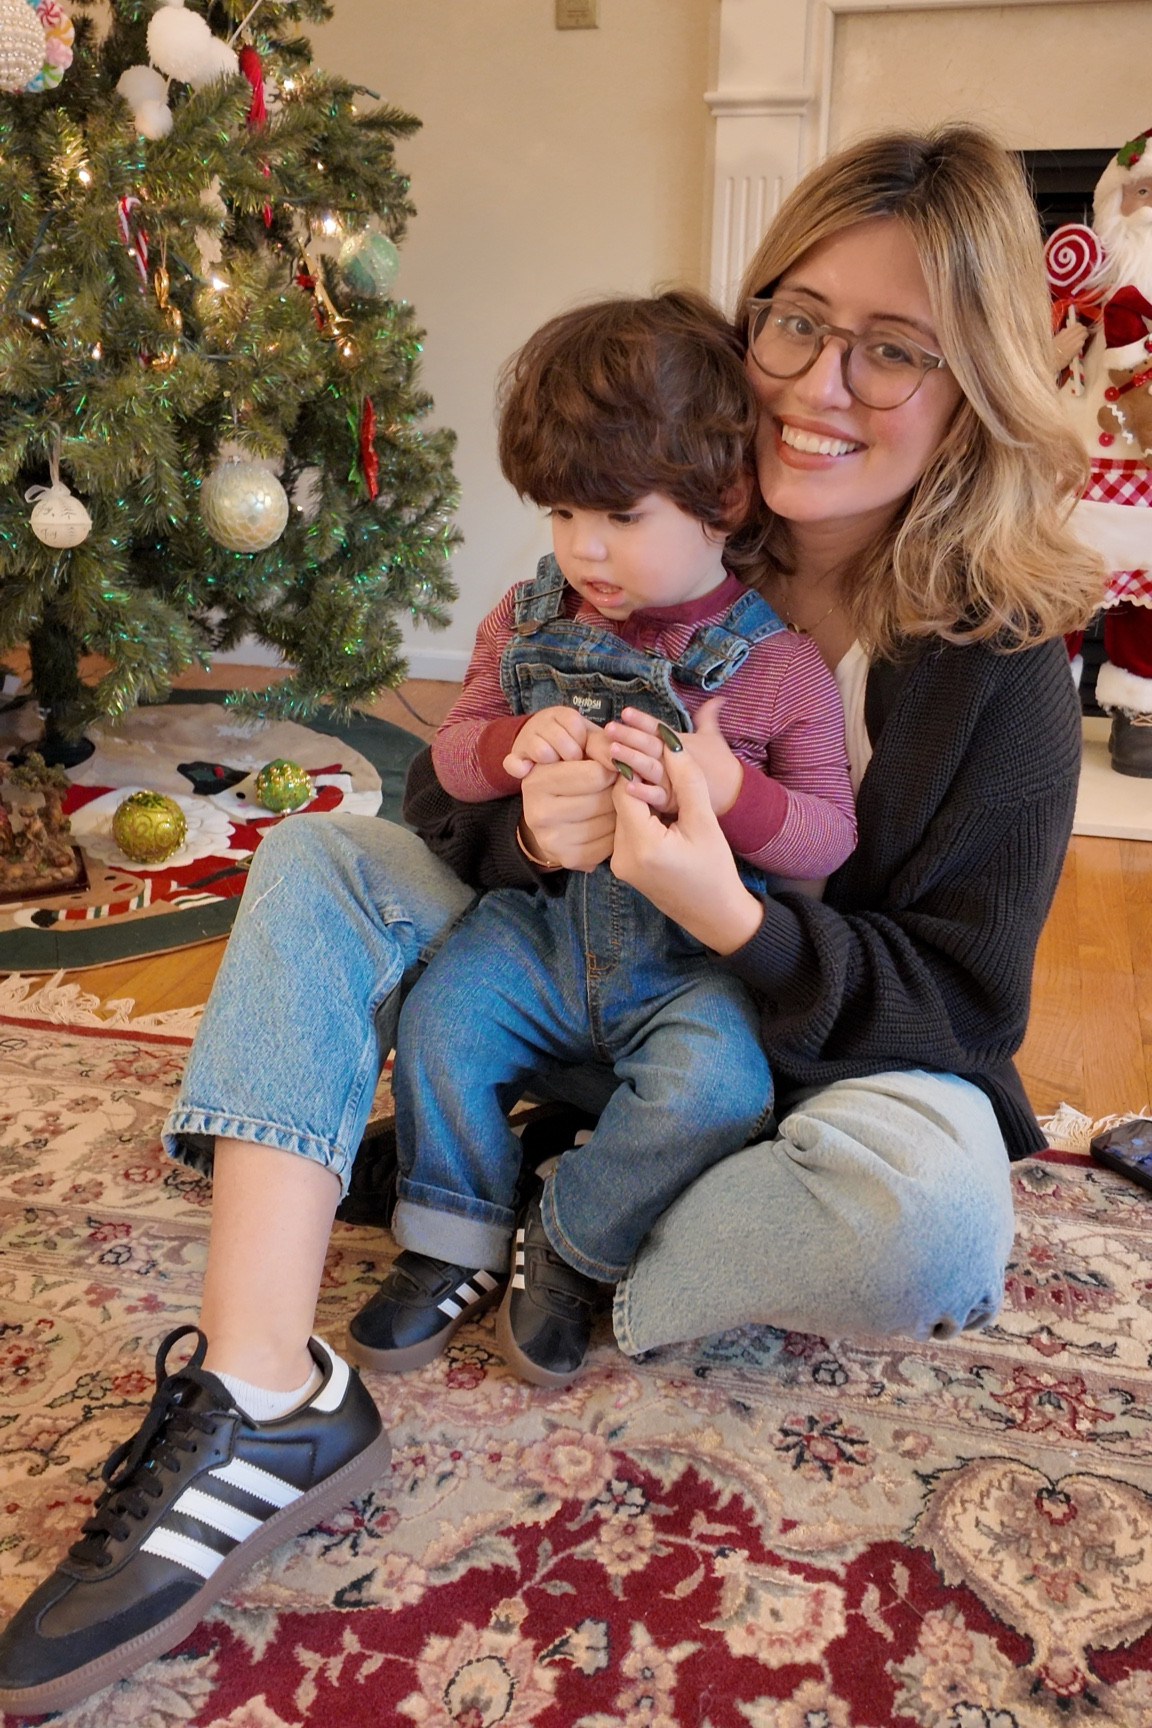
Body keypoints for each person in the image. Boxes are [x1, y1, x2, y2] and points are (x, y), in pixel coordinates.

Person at [0, 122, 1104, 1716]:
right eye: (796, 321)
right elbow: (457, 792)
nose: (820, 385)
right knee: (318, 859)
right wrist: (527, 815)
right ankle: (262, 1385)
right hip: (560, 973)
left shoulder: (1003, 659)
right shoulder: (633, 528)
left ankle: (553, 1216)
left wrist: (731, 914)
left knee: (933, 1220)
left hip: (792, 1059)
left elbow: (961, 1011)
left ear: (980, 380)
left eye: (895, 351)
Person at [354, 293, 855, 1389]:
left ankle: (574, 1240)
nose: (585, 548)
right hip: (536, 934)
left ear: (722, 498)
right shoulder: (527, 619)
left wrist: (733, 794)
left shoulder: (780, 669)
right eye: (561, 514)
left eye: (622, 516)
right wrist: (510, 748)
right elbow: (448, 757)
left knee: (720, 1094)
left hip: (690, 968)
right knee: (442, 1020)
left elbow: (827, 844)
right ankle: (453, 1233)